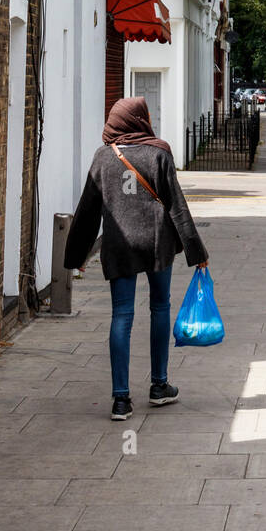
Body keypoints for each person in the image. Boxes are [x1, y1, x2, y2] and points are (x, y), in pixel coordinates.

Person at [64, 97, 210, 422]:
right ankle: (159, 386)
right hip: (157, 244)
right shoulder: (160, 152)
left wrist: (77, 255)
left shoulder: (103, 157)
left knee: (122, 316)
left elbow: (87, 212)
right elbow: (177, 206)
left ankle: (120, 400)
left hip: (119, 246)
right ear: (140, 120)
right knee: (159, 308)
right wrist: (196, 253)